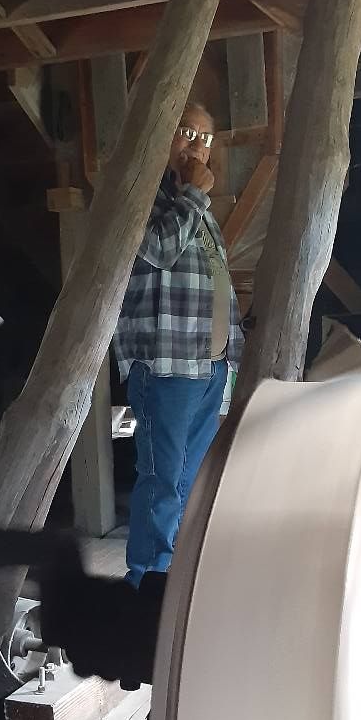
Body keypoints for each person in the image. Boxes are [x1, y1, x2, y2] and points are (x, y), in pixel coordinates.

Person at [114, 101, 243, 589]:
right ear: (164, 136)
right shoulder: (141, 193)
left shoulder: (200, 209)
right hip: (165, 365)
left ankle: (173, 579)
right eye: (187, 133)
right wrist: (191, 195)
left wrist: (232, 361)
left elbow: (218, 284)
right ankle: (144, 584)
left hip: (207, 367)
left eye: (206, 138)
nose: (197, 146)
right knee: (162, 481)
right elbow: (158, 251)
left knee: (188, 484)